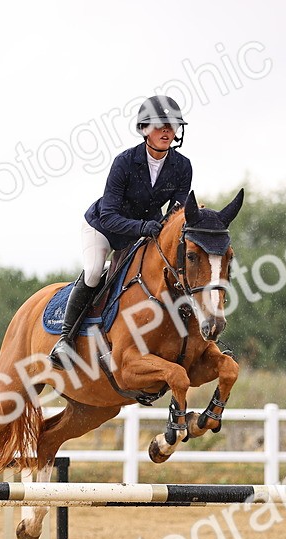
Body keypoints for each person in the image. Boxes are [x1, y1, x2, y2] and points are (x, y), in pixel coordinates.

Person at [48, 95, 193, 368]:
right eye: (159, 125)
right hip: (103, 227)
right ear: (144, 129)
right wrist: (144, 227)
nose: (166, 131)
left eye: (172, 125)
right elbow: (110, 215)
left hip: (144, 232)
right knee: (94, 272)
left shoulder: (182, 166)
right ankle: (65, 340)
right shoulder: (125, 162)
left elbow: (177, 210)